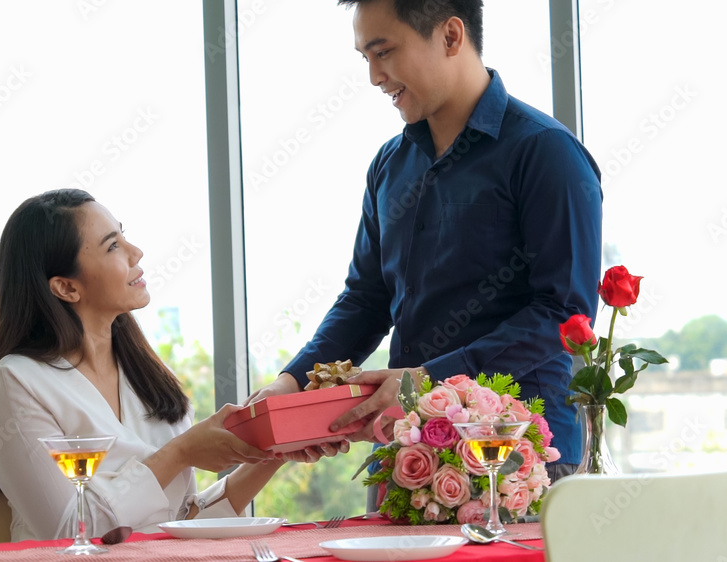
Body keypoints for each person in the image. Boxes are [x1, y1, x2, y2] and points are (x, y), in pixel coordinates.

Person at [248, 0, 602, 482]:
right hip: (408, 453)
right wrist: (290, 384)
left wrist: (426, 380)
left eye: (385, 52)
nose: (375, 76)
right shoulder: (388, 165)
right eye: (365, 58)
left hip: (518, 453)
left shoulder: (546, 153)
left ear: (451, 37)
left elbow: (563, 314)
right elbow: (366, 300)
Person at [0, 189, 347, 541]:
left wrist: (271, 452)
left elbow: (183, 522)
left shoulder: (144, 376)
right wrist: (181, 453)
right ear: (66, 287)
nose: (136, 252)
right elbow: (67, 532)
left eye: (123, 235)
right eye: (112, 246)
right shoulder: (17, 382)